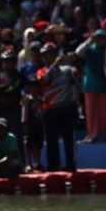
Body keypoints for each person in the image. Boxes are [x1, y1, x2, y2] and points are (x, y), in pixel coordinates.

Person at [37, 43, 78, 171]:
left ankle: (70, 164)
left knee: (68, 138)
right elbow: (43, 80)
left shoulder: (68, 69)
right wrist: (55, 64)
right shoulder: (42, 71)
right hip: (50, 109)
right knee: (51, 140)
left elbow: (77, 78)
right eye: (47, 54)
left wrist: (73, 60)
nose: (50, 56)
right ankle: (53, 166)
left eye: (52, 53)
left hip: (67, 108)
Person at [75, 28, 106, 142]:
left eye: (102, 38)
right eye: (97, 38)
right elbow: (78, 52)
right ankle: (92, 135)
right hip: (90, 85)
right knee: (91, 112)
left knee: (105, 112)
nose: (99, 40)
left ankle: (105, 134)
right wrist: (90, 40)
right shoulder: (90, 49)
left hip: (105, 85)